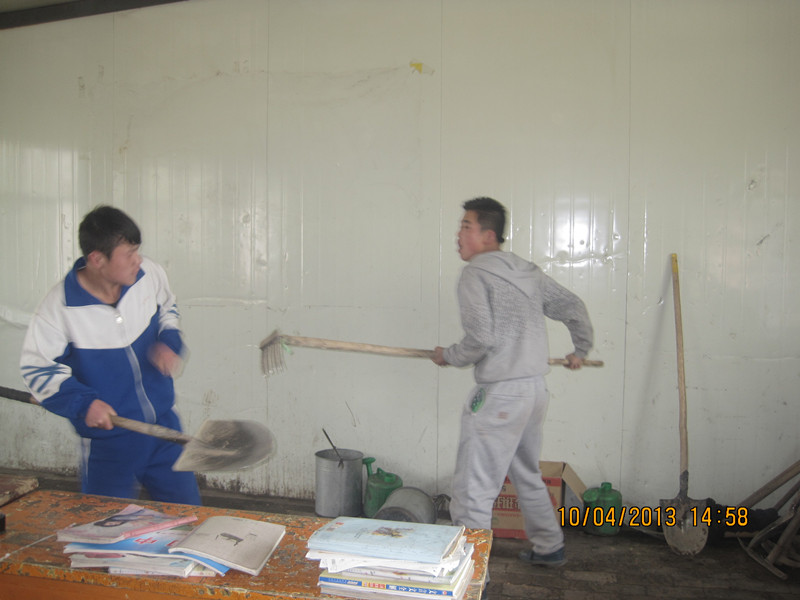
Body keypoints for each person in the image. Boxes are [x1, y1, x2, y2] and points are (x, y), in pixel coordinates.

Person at [432, 197, 593, 568]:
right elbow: (573, 306)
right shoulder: (528, 272)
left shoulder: (475, 274)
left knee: (473, 492)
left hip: (501, 395)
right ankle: (549, 546)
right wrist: (580, 350)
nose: (458, 234)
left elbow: (481, 338)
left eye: (466, 227)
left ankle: (472, 578)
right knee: (526, 472)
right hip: (533, 391)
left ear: (488, 236)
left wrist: (449, 355)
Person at [20, 205, 201, 505]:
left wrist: (169, 341)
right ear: (97, 259)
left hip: (164, 431)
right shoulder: (59, 309)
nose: (138, 260)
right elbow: (37, 369)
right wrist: (84, 403)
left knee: (189, 516)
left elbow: (168, 308)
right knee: (103, 524)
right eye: (128, 254)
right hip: (109, 442)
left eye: (137, 251)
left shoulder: (148, 275)